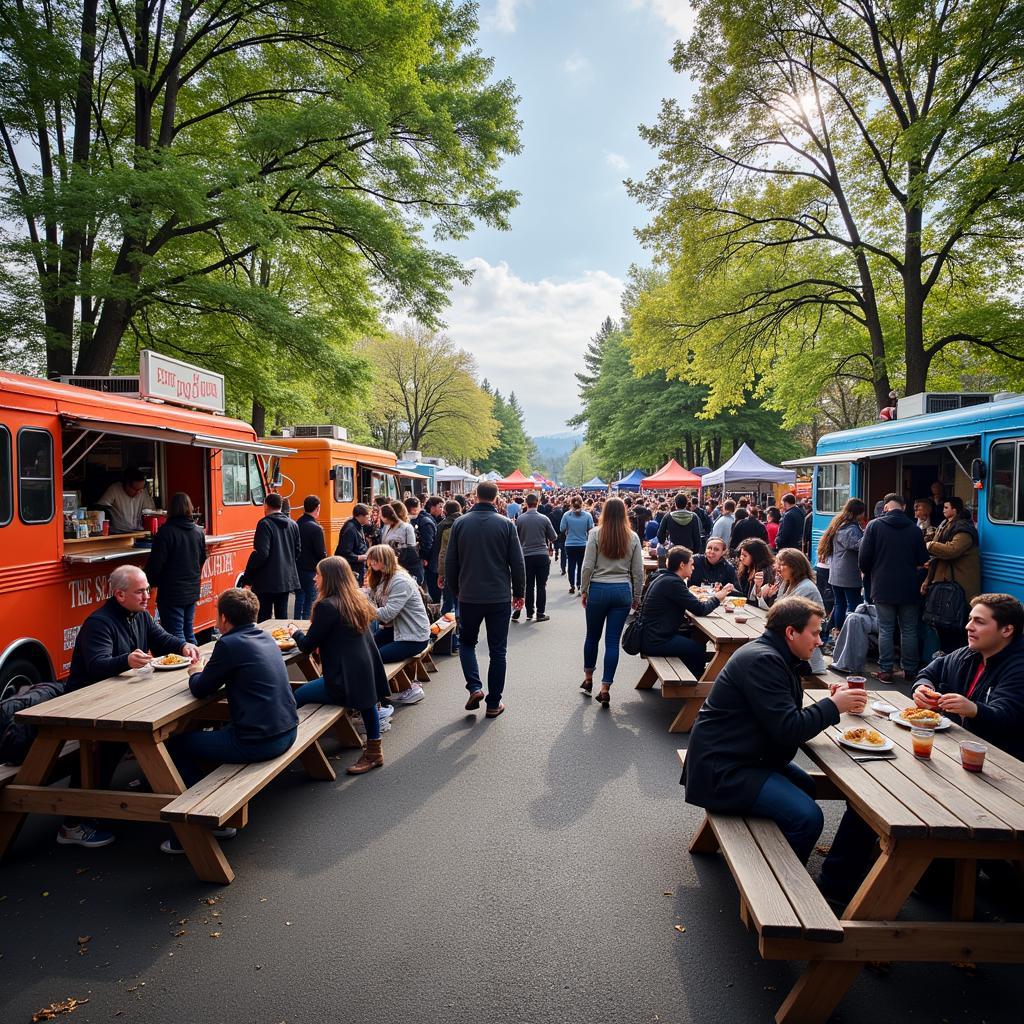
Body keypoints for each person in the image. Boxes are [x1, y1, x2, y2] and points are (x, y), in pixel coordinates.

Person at [819, 594, 1024, 902]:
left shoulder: (1017, 667)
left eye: (979, 621)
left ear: (1006, 630)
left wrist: (975, 710)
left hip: (998, 777)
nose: (968, 626)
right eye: (970, 618)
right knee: (874, 791)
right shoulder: (969, 654)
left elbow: (1009, 718)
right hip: (954, 760)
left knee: (883, 795)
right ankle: (842, 883)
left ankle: (842, 888)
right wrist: (921, 688)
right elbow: (930, 671)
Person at [682, 597, 865, 862]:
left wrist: (830, 698)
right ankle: (782, 889)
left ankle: (773, 850)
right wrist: (833, 707)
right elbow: (789, 728)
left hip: (740, 756)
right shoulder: (764, 661)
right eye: (814, 633)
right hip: (721, 770)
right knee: (808, 818)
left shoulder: (773, 654)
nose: (819, 641)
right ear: (791, 632)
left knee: (805, 786)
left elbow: (782, 710)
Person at [58, 565, 199, 848]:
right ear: (120, 594)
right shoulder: (99, 622)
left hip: (120, 698)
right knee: (111, 743)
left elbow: (161, 639)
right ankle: (72, 824)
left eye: (147, 589)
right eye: (140, 591)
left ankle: (152, 783)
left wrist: (183, 646)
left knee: (167, 727)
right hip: (86, 705)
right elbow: (97, 665)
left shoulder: (141, 615)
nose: (147, 595)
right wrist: (126, 661)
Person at [161, 588, 298, 854]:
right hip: (288, 731)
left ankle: (195, 826)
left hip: (260, 742)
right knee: (212, 731)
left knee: (174, 745)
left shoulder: (228, 644)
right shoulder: (266, 638)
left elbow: (201, 689)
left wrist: (195, 671)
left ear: (223, 618)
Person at [288, 557, 391, 775]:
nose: (315, 578)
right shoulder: (356, 600)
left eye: (319, 574)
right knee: (367, 701)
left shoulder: (327, 606)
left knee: (297, 694)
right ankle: (374, 750)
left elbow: (307, 645)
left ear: (329, 579)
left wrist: (293, 631)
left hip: (343, 681)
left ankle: (286, 742)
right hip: (365, 673)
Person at [444, 481, 526, 718]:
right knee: (497, 651)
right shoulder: (506, 525)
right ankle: (493, 703)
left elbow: (451, 562)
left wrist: (456, 589)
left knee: (467, 643)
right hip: (499, 595)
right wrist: (519, 593)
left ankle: (474, 686)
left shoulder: (460, 523)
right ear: (496, 497)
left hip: (469, 594)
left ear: (475, 496)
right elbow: (517, 563)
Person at [579, 497, 644, 706]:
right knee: (612, 641)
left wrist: (584, 589)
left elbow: (587, 565)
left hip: (598, 589)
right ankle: (605, 686)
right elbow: (638, 571)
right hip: (622, 591)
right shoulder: (632, 537)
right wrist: (637, 596)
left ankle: (588, 677)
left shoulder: (595, 534)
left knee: (592, 637)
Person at [858, 493, 929, 682]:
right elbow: (923, 559)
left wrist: (871, 573)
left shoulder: (874, 526)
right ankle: (911, 670)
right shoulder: (914, 529)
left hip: (882, 585)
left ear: (886, 508)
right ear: (903, 507)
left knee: (886, 628)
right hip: (909, 586)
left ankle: (886, 670)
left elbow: (863, 559)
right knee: (909, 629)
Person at [640, 545, 735, 677]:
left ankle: (694, 678)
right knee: (698, 649)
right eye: (691, 564)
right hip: (656, 640)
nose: (693, 567)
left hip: (651, 635)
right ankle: (695, 685)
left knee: (693, 640)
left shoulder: (664, 578)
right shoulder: (673, 583)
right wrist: (719, 596)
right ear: (682, 565)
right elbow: (700, 609)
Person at [365, 544, 431, 686]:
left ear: (387, 559)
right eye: (371, 559)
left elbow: (387, 614)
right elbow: (369, 595)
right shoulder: (383, 576)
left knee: (374, 657)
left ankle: (403, 690)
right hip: (395, 631)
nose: (372, 563)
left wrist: (363, 609)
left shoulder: (400, 581)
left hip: (413, 637)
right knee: (364, 650)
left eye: (376, 559)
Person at [147, 492, 207, 645]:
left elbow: (156, 564)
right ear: (190, 508)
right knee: (188, 631)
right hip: (192, 589)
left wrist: (149, 582)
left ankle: (186, 665)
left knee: (175, 636)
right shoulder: (198, 531)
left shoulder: (166, 532)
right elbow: (202, 559)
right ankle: (196, 663)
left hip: (171, 592)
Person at [923, 496, 980, 653]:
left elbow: (952, 550)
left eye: (946, 507)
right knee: (943, 627)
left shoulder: (964, 530)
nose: (943, 510)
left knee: (956, 628)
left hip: (958, 586)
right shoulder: (944, 525)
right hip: (945, 584)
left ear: (955, 510)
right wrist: (927, 581)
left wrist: (930, 545)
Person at [761, 549, 828, 674]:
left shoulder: (806, 587)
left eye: (782, 565)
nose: (778, 568)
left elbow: (781, 614)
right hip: (792, 637)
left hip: (804, 645)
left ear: (794, 566)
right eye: (778, 564)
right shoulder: (787, 583)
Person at [242, 492, 301, 621]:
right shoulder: (293, 524)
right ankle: (284, 640)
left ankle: (265, 641)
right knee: (282, 616)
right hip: (286, 579)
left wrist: (248, 576)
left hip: (265, 580)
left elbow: (262, 553)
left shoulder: (264, 524)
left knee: (264, 617)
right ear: (280, 506)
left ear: (266, 505)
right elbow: (297, 551)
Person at [817, 499, 866, 637]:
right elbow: (858, 546)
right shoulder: (849, 529)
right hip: (848, 575)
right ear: (859, 513)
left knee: (840, 604)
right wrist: (869, 533)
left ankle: (838, 631)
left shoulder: (840, 525)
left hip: (836, 574)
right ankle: (848, 634)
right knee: (853, 605)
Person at [515, 492, 557, 622]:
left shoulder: (520, 519)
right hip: (541, 555)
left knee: (528, 585)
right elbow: (553, 537)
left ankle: (529, 612)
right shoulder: (544, 519)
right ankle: (540, 613)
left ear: (526, 504)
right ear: (537, 503)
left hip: (526, 556)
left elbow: (516, 539)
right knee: (541, 585)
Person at [294, 495, 327, 619]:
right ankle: (305, 627)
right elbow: (320, 552)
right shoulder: (316, 528)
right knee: (310, 601)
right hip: (311, 570)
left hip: (297, 569)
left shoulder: (296, 524)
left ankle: (295, 625)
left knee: (299, 599)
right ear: (317, 508)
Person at [97, 468, 154, 534]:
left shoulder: (143, 492)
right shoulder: (114, 489)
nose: (139, 492)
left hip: (139, 532)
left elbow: (151, 511)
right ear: (126, 485)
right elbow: (101, 507)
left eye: (141, 489)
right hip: (118, 533)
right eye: (136, 490)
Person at [560, 496, 594, 595]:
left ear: (571, 503)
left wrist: (569, 530)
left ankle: (572, 585)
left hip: (570, 544)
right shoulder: (587, 515)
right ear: (582, 503)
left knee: (571, 565)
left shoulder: (567, 515)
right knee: (581, 566)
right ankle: (579, 585)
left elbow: (562, 528)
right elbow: (591, 529)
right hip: (583, 544)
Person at [379, 502, 418, 577]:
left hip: (403, 566)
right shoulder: (386, 526)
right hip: (388, 565)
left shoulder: (407, 528)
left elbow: (411, 551)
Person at [336, 503, 371, 584]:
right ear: (360, 516)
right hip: (352, 568)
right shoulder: (351, 529)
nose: (369, 518)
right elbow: (344, 551)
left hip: (357, 566)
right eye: (367, 515)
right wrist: (358, 557)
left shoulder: (358, 525)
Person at [406, 495, 435, 589]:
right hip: (412, 559)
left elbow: (428, 543)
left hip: (421, 560)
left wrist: (424, 557)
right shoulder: (407, 520)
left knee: (421, 586)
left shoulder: (425, 521)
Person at [736, 537, 775, 605]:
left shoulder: (765, 573)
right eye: (741, 554)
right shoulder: (746, 568)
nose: (741, 558)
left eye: (745, 555)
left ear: (755, 556)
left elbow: (757, 600)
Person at [421, 496, 445, 601]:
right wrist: (426, 558)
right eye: (440, 506)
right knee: (433, 591)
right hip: (430, 562)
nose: (442, 509)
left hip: (433, 562)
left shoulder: (439, 519)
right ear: (432, 507)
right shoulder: (428, 521)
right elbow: (428, 544)